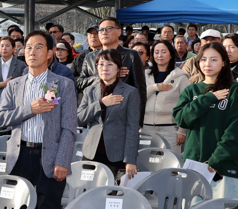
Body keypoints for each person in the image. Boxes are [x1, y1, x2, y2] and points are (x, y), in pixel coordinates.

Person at [0, 31, 76, 209]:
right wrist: (31, 109)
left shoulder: (62, 84)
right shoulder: (14, 85)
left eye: (38, 47)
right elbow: (1, 120)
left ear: (51, 53)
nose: (31, 51)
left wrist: (62, 160)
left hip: (49, 158)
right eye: (28, 47)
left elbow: (69, 128)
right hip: (20, 158)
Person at [173, 42, 238, 209]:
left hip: (223, 167)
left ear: (224, 62)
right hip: (194, 166)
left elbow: (234, 130)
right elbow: (182, 118)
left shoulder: (235, 90)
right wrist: (208, 98)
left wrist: (216, 159)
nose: (207, 64)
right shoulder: (192, 90)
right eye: (203, 59)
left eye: (213, 59)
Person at [77, 50, 140, 179]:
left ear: (118, 68)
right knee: (88, 192)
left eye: (110, 64)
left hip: (116, 154)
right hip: (91, 153)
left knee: (111, 194)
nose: (104, 68)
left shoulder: (130, 92)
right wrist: (100, 104)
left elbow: (132, 128)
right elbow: (78, 119)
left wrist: (130, 160)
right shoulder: (90, 90)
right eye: (101, 64)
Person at [76, 17, 147, 126]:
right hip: (95, 118)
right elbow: (79, 83)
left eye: (108, 29)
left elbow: (140, 90)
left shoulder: (131, 55)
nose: (104, 32)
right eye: (101, 30)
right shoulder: (90, 57)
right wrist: (102, 78)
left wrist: (138, 122)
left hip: (122, 117)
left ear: (119, 31)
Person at [144, 40, 189, 153]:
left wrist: (182, 131)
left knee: (171, 164)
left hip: (171, 128)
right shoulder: (145, 74)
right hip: (147, 128)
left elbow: (187, 105)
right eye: (156, 52)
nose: (159, 55)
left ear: (171, 54)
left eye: (163, 52)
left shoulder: (181, 76)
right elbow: (139, 98)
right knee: (146, 163)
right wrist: (155, 87)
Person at [0, 36, 26, 107]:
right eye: (2, 46)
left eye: (7, 46)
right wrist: (3, 84)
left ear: (13, 48)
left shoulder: (21, 65)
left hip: (14, 105)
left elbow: (24, 85)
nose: (4, 48)